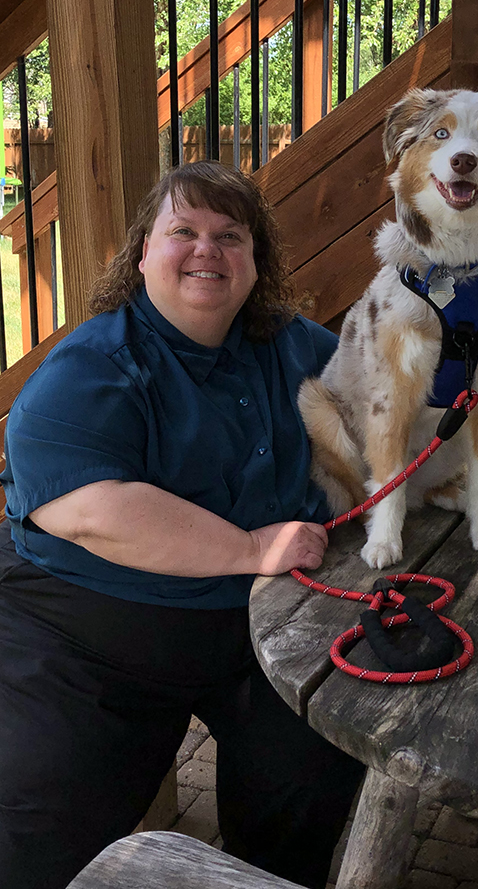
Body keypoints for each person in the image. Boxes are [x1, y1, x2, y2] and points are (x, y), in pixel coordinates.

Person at [0, 161, 364, 889]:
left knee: (311, 772)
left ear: (256, 260)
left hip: (259, 628)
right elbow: (91, 511)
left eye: (231, 235)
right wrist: (252, 546)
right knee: (37, 803)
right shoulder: (92, 365)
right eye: (184, 232)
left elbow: (384, 407)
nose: (208, 249)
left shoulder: (293, 344)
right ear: (143, 254)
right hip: (85, 635)